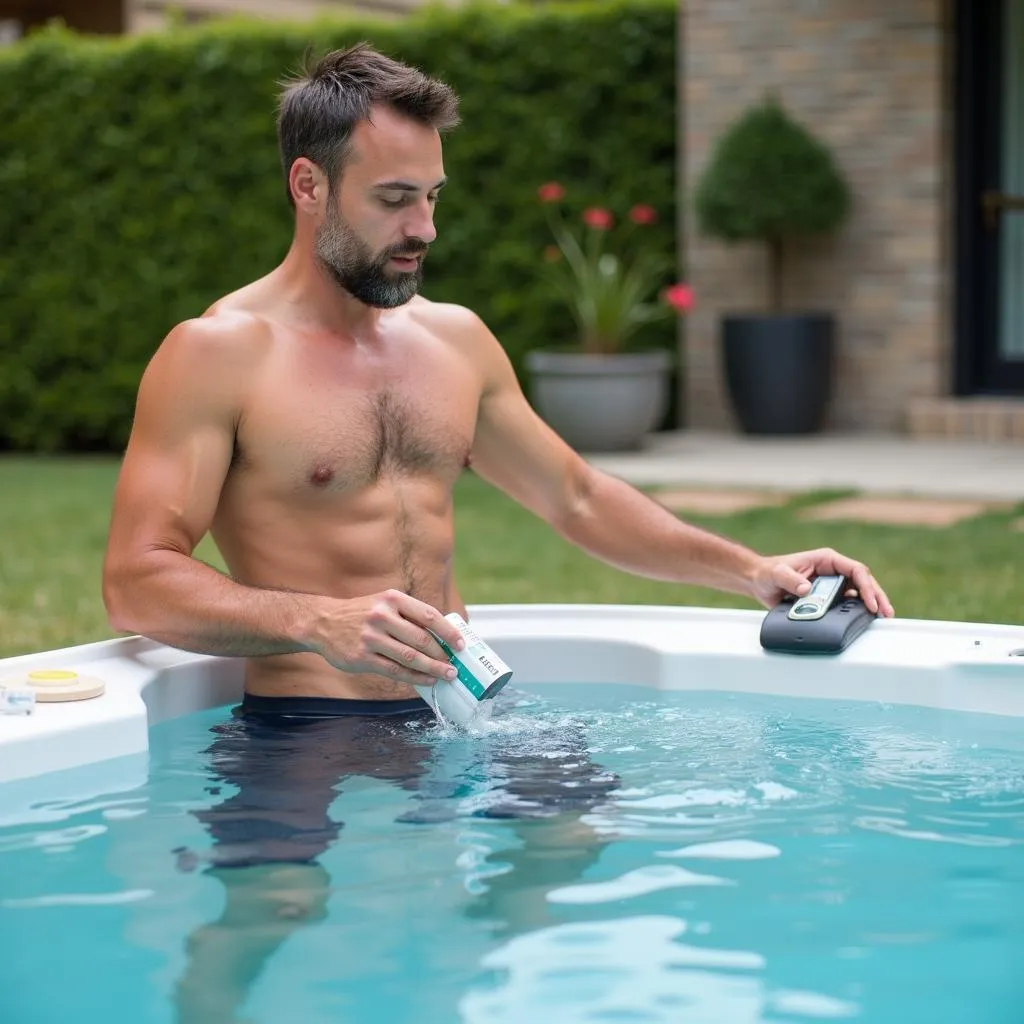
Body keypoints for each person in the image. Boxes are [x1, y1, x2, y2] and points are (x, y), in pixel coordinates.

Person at [100, 42, 894, 1022]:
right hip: (306, 715)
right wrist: (318, 620)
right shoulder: (218, 353)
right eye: (394, 198)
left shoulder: (454, 340)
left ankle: (449, 974)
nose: (423, 227)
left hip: (461, 702)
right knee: (272, 905)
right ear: (308, 185)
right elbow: (137, 579)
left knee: (575, 828)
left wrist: (755, 569)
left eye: (433, 196)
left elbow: (577, 498)